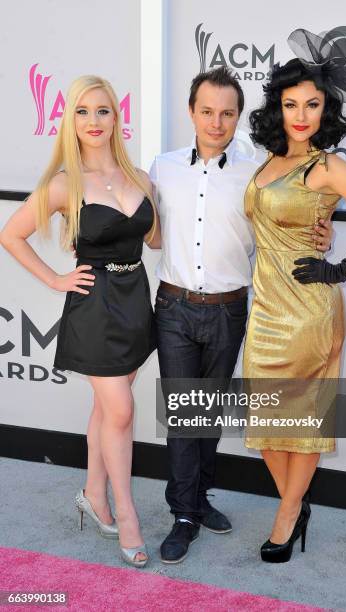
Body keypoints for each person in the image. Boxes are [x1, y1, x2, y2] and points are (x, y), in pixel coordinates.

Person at [150, 66, 333, 564]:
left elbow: (294, 213)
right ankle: (182, 514)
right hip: (174, 306)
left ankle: (200, 499)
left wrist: (325, 231)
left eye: (227, 113)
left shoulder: (258, 170)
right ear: (191, 112)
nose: (216, 122)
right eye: (206, 112)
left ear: (238, 117)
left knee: (208, 413)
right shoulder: (161, 167)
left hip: (231, 309)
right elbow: (148, 229)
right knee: (184, 417)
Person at [243, 27, 346, 563]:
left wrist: (338, 270)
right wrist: (321, 225)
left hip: (310, 311)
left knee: (302, 420)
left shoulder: (327, 165)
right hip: (264, 310)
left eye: (312, 104)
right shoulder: (268, 162)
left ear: (325, 109)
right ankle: (297, 501)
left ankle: (287, 515)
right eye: (291, 104)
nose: (302, 114)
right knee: (267, 425)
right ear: (278, 109)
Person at [0, 75, 160, 568]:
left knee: (107, 409)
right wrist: (53, 279)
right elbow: (11, 234)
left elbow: (154, 241)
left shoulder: (139, 177)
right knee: (121, 412)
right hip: (94, 307)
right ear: (69, 120)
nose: (94, 121)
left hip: (136, 300)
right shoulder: (64, 184)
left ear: (117, 118)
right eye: (83, 112)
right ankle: (126, 514)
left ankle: (93, 493)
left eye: (103, 111)